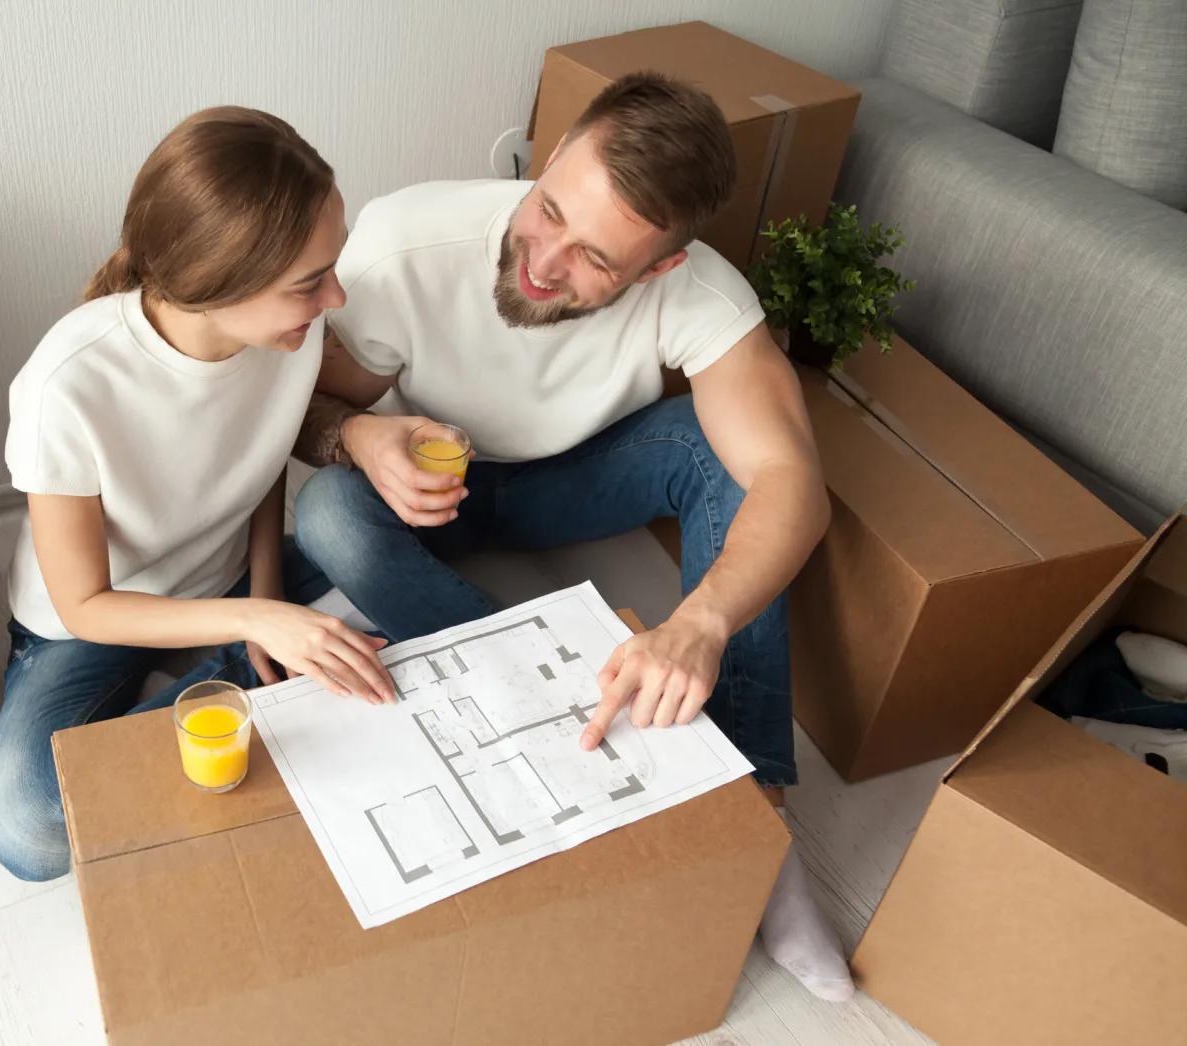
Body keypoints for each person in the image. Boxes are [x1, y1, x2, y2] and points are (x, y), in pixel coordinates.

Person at [291, 74, 851, 1001]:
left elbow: (794, 484)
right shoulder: (405, 245)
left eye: (595, 258)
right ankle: (539, 698)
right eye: (549, 210)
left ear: (662, 267)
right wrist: (354, 436)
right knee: (326, 515)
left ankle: (752, 803)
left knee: (726, 463)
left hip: (570, 477)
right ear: (549, 159)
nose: (545, 262)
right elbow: (302, 405)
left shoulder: (701, 293)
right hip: (437, 481)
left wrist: (702, 622)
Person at [0, 107, 394, 884]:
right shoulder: (69, 386)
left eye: (332, 268)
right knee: (28, 828)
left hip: (230, 581)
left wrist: (267, 595)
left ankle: (239, 666)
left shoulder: (283, 336)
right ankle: (230, 672)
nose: (336, 298)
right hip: (92, 622)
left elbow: (260, 462)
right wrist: (255, 620)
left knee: (393, 543)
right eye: (311, 283)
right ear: (217, 285)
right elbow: (84, 607)